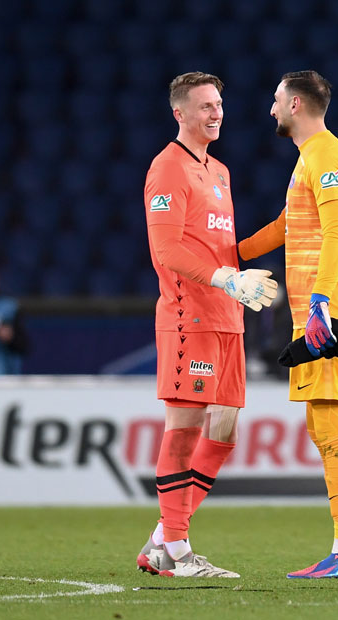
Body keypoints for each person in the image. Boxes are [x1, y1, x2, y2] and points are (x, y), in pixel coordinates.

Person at [138, 71, 278, 578]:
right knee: (184, 429)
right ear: (179, 113)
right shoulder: (167, 168)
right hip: (187, 317)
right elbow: (167, 249)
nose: (215, 113)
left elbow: (225, 249)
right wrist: (221, 276)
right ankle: (177, 551)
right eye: (204, 106)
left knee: (224, 430)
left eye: (218, 104)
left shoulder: (219, 171)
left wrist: (278, 232)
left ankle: (160, 538)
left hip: (228, 316)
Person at [238, 71, 338, 579]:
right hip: (319, 308)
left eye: (275, 99)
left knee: (334, 419)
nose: (270, 108)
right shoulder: (311, 159)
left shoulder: (326, 156)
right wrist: (231, 256)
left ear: (296, 104)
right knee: (320, 423)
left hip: (335, 306)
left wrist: (319, 300)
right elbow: (286, 226)